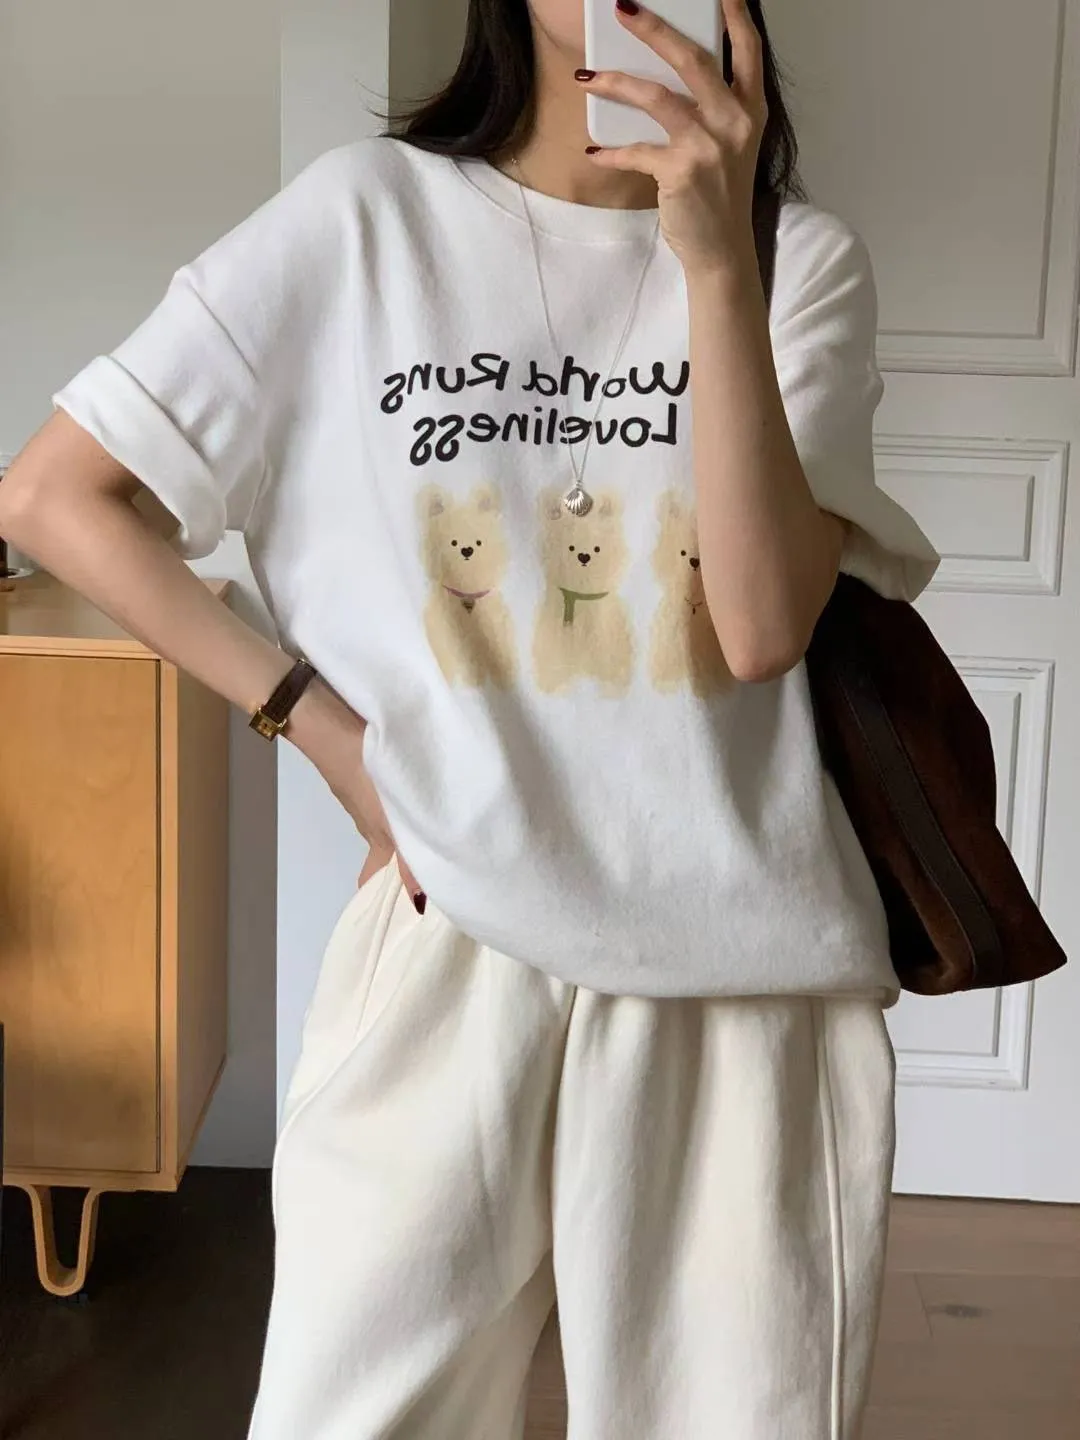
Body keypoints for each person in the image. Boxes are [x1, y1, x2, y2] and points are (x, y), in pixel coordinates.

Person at [0, 0, 940, 1434]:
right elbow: (57, 497)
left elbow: (758, 630)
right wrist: (318, 729)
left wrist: (714, 262)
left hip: (740, 976)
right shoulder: (363, 224)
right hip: (448, 942)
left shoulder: (797, 264)